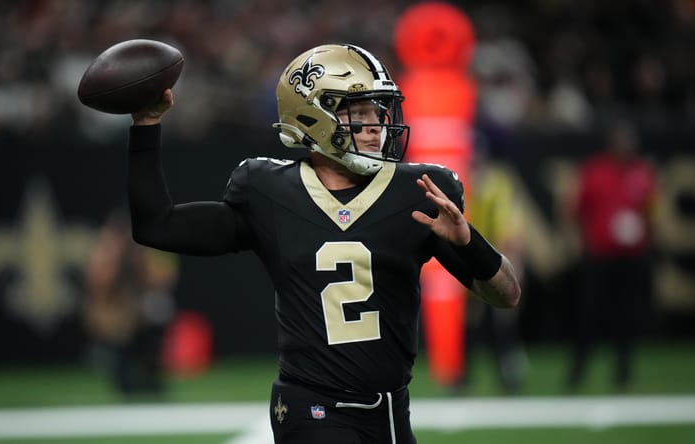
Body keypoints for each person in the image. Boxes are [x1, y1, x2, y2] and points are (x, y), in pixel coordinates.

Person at [125, 43, 520, 443]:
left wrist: (469, 242)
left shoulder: (415, 192)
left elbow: (507, 294)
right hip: (311, 410)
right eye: (358, 112)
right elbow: (157, 226)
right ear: (312, 115)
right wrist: (145, 123)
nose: (375, 126)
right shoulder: (269, 191)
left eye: (378, 111)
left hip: (391, 411)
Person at [565, 119, 657, 392]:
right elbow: (577, 210)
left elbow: (651, 212)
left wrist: (647, 237)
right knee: (589, 315)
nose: (626, 145)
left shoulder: (642, 172)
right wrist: (586, 241)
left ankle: (623, 373)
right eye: (621, 140)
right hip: (600, 256)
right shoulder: (595, 171)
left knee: (627, 316)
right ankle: (578, 372)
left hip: (632, 257)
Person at [455, 145, 528, 395]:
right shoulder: (465, 183)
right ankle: (463, 375)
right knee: (472, 322)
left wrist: (509, 258)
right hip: (473, 260)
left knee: (502, 321)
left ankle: (508, 373)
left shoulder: (496, 184)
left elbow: (507, 223)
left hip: (495, 258)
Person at [83, 210, 178, 396]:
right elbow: (99, 287)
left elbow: (165, 279)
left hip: (136, 312)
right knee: (118, 325)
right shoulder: (103, 255)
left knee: (159, 307)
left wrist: (138, 260)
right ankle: (120, 372)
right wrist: (115, 256)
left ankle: (150, 372)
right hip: (111, 312)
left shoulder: (139, 252)